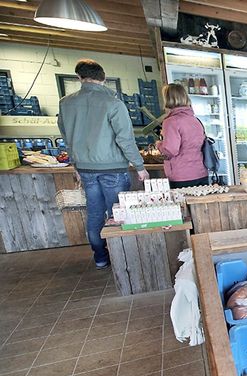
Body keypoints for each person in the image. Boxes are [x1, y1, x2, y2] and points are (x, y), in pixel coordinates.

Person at [58, 59, 148, 269]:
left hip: (86, 169)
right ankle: (121, 260)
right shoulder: (113, 103)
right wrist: (140, 166)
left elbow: (67, 138)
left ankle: (100, 257)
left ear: (79, 78)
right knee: (117, 213)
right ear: (104, 78)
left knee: (95, 213)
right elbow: (125, 139)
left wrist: (76, 165)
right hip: (113, 168)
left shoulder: (66, 103)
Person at [156, 83, 209, 189]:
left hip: (181, 176)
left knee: (183, 205)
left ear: (168, 99)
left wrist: (159, 144)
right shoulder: (195, 120)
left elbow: (171, 150)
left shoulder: (170, 122)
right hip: (201, 173)